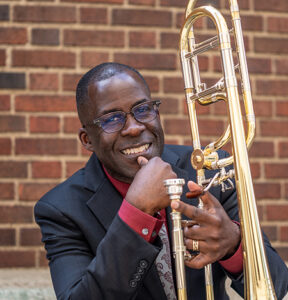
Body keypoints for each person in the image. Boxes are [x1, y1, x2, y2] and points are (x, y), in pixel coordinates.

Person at [34, 62, 288, 300]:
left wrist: (234, 244)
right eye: (112, 119)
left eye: (143, 110)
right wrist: (136, 213)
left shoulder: (211, 171)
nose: (133, 128)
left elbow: (275, 287)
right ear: (87, 139)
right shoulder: (60, 209)